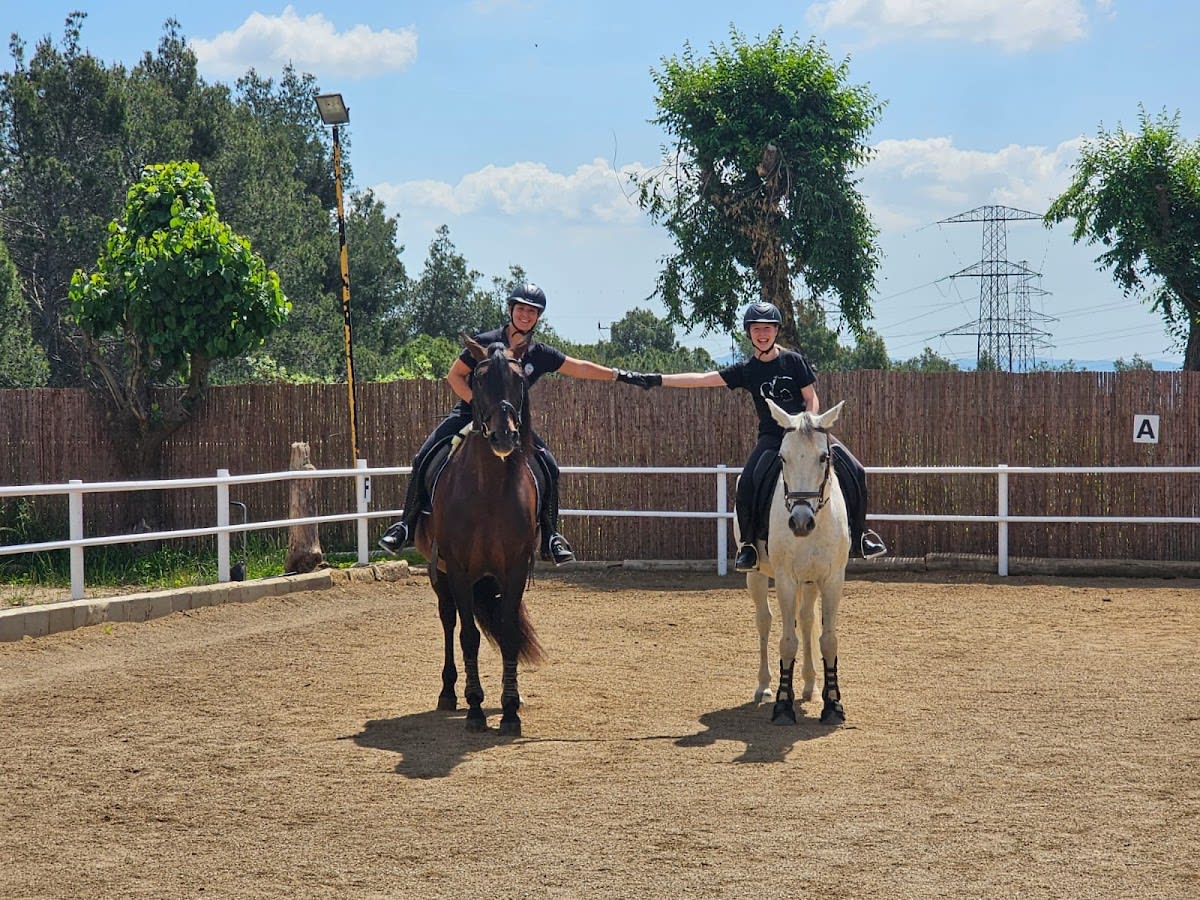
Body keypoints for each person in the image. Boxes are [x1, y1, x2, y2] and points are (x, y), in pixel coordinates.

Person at [377, 282, 656, 566]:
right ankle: (405, 526)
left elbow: (580, 367)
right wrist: (479, 406)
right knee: (423, 456)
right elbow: (454, 376)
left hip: (512, 423)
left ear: (538, 317)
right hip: (470, 414)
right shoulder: (484, 342)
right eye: (521, 309)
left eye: (532, 311)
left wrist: (621, 375)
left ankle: (550, 536)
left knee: (549, 466)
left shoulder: (538, 353)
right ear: (511, 310)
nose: (525, 315)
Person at [652, 300, 887, 572]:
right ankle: (749, 546)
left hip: (806, 433)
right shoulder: (747, 370)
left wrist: (807, 424)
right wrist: (657, 379)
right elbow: (703, 379)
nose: (762, 334)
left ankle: (860, 535)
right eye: (756, 329)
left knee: (856, 470)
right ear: (749, 333)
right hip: (772, 438)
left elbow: (811, 397)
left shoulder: (793, 361)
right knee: (747, 482)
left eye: (767, 328)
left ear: (776, 331)